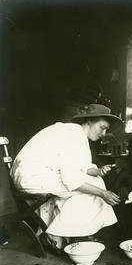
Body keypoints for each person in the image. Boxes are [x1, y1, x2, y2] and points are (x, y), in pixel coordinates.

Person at [10, 103, 123, 255]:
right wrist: (103, 194)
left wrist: (98, 170)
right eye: (102, 127)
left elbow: (82, 167)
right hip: (31, 175)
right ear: (89, 121)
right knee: (92, 188)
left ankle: (63, 231)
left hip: (36, 174)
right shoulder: (74, 134)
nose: (104, 133)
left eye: (106, 130)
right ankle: (53, 234)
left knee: (96, 181)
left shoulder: (76, 133)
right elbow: (72, 178)